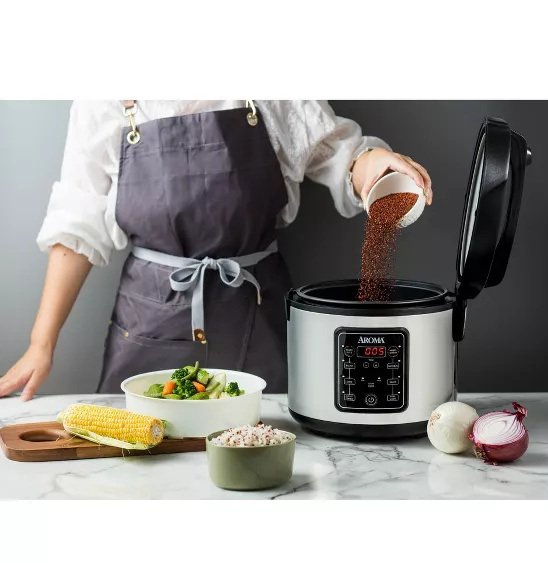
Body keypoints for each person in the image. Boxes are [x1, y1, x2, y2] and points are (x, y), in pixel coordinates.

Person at [0, 100, 433, 400]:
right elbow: (79, 223)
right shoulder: (107, 98)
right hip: (149, 322)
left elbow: (338, 154)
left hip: (256, 319)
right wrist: (41, 342)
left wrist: (372, 165)